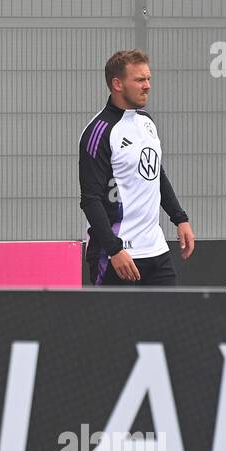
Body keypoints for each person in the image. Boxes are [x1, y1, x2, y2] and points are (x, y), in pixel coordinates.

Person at [78, 50, 195, 286]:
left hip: (156, 252)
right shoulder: (99, 132)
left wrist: (180, 218)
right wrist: (114, 250)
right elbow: (90, 200)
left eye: (148, 79)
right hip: (119, 257)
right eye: (140, 80)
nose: (148, 86)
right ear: (117, 84)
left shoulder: (146, 122)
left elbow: (155, 174)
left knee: (170, 323)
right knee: (119, 325)